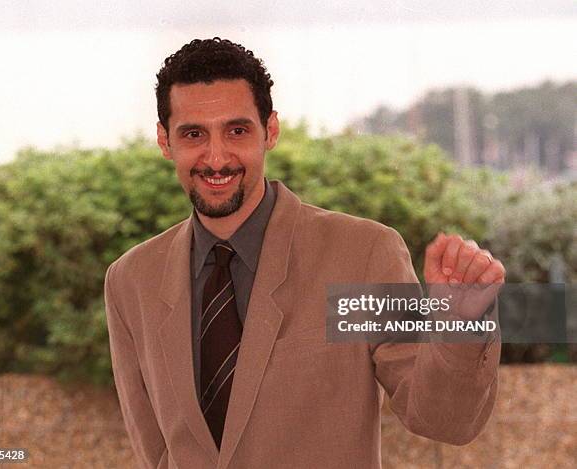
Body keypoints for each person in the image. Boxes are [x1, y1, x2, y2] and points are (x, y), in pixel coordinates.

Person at [103, 37, 505, 469]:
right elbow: (156, 451)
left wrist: (460, 324)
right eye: (194, 134)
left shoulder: (360, 256)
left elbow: (442, 420)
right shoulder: (132, 281)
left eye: (237, 131)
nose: (216, 158)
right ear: (165, 141)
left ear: (270, 131)